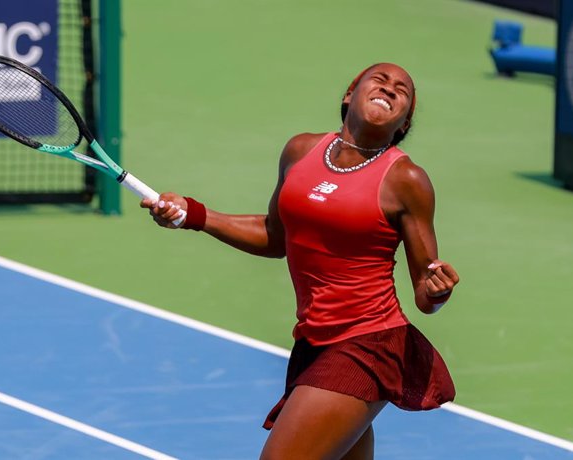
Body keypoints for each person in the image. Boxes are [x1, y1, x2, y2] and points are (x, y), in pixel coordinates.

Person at [141, 62, 460, 460]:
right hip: (312, 341)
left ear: (404, 122)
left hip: (367, 343)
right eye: (379, 79)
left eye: (403, 91)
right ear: (350, 94)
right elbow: (277, 236)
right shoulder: (301, 150)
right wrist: (195, 214)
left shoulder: (406, 180)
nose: (390, 88)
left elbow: (425, 293)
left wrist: (438, 292)